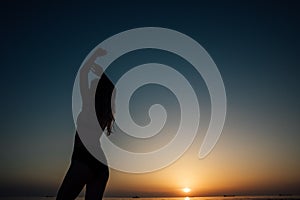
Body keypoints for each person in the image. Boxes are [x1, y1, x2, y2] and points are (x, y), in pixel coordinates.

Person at [57, 48, 115, 200]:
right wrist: (103, 76)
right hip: (101, 166)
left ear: (95, 92)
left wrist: (95, 55)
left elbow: (83, 73)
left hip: (83, 159)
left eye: (92, 86)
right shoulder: (105, 113)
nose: (89, 87)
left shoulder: (88, 105)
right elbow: (112, 89)